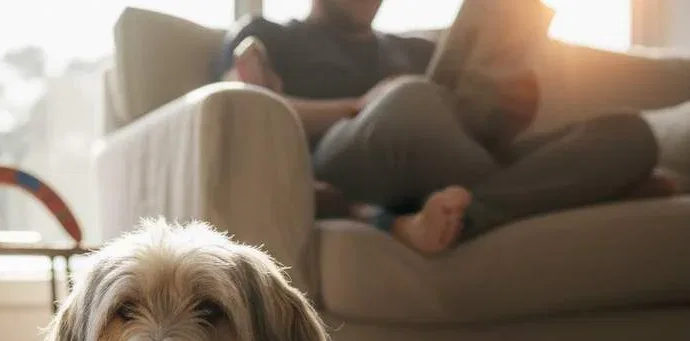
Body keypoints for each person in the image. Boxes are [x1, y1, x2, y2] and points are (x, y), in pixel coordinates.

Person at [211, 0, 677, 255]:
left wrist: (509, 111)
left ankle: (461, 216)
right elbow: (246, 106)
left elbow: (460, 128)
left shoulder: (409, 50)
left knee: (629, 134)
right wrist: (355, 106)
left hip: (449, 162)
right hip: (344, 161)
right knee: (412, 101)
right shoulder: (270, 33)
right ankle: (572, 191)